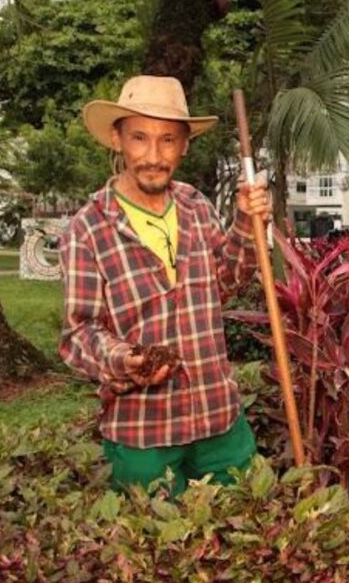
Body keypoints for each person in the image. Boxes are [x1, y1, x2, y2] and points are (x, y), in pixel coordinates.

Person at [59, 75, 271, 496]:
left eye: (168, 140)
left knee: (250, 519)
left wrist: (247, 221)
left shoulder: (195, 207)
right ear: (117, 139)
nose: (154, 156)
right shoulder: (89, 228)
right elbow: (79, 333)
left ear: (184, 145)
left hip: (218, 418)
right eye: (139, 138)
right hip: (144, 433)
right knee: (152, 535)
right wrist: (125, 359)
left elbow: (225, 282)